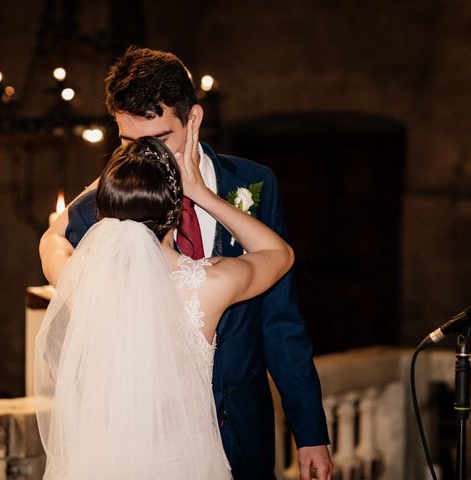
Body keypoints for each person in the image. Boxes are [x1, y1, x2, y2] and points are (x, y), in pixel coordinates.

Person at [40, 46, 333, 480]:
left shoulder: (254, 184)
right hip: (138, 441)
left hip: (243, 433)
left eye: (157, 141)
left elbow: (280, 321)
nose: (143, 158)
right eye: (127, 143)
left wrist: (309, 431)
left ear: (192, 119)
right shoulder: (97, 208)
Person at [36, 133, 294, 479]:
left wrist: (107, 180)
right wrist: (202, 193)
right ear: (174, 213)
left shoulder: (83, 282)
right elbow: (280, 254)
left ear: (105, 213)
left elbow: (52, 237)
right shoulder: (207, 285)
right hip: (185, 464)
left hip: (106, 463)